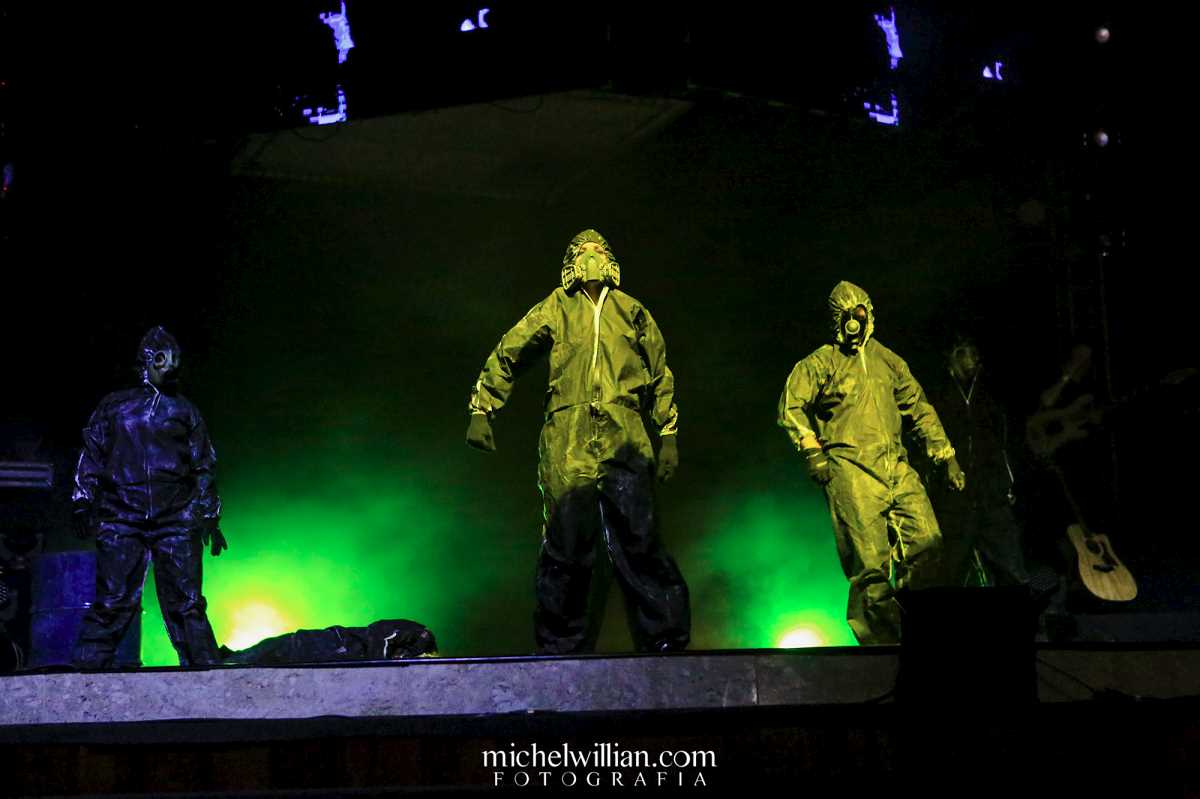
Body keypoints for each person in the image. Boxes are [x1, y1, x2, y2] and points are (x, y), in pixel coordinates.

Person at [465, 229, 690, 654]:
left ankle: (663, 639)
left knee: (639, 537)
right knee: (566, 541)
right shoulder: (557, 306)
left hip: (625, 432)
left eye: (598, 250)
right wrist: (482, 408)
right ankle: (561, 645)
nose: (591, 256)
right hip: (567, 435)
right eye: (582, 251)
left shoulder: (632, 311)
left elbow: (660, 374)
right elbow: (510, 351)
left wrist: (668, 434)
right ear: (570, 262)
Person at [778, 281, 964, 644]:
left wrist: (946, 455)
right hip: (851, 470)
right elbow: (791, 406)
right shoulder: (820, 363)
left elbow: (919, 407)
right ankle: (881, 646)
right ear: (835, 320)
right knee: (870, 565)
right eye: (845, 315)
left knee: (927, 542)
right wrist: (812, 450)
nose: (853, 321)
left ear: (869, 314)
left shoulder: (888, 361)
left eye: (858, 313)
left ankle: (918, 632)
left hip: (896, 465)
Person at [71, 326, 226, 667]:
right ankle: (84, 675)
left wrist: (209, 516)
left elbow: (203, 464)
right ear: (148, 361)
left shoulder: (184, 411)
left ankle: (206, 675)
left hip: (175, 517)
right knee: (112, 600)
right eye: (162, 358)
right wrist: (82, 500)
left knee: (187, 603)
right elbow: (92, 453)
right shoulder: (115, 407)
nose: (171, 365)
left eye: (175, 359)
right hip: (122, 515)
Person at [921, 335, 1029, 588]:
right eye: (964, 353)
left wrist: (1007, 483)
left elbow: (1003, 440)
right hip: (955, 496)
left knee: (1011, 565)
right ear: (952, 356)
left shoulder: (989, 392)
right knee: (952, 567)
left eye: (974, 353)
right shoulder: (938, 393)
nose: (972, 359)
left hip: (991, 493)